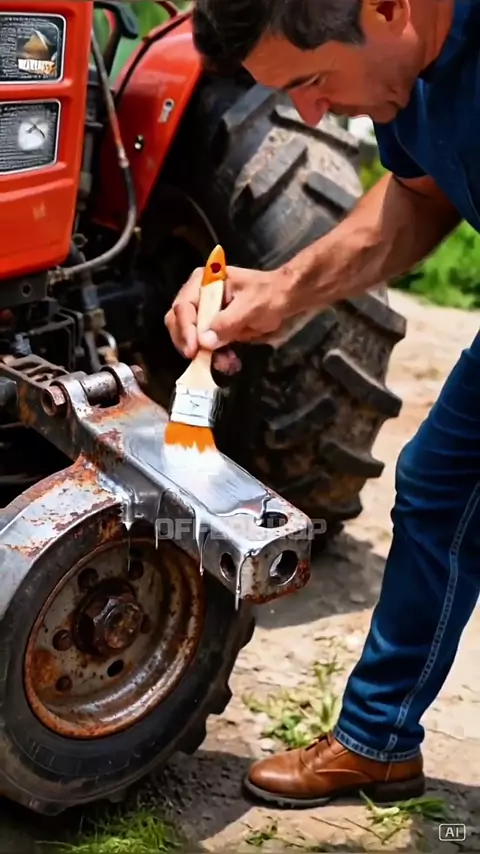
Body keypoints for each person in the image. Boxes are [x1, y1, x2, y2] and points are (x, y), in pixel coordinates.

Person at [165, 0, 480, 808]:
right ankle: (377, 743)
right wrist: (281, 291)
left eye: (312, 81)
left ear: (387, 7)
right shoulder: (411, 74)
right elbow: (419, 196)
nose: (310, 114)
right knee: (440, 487)